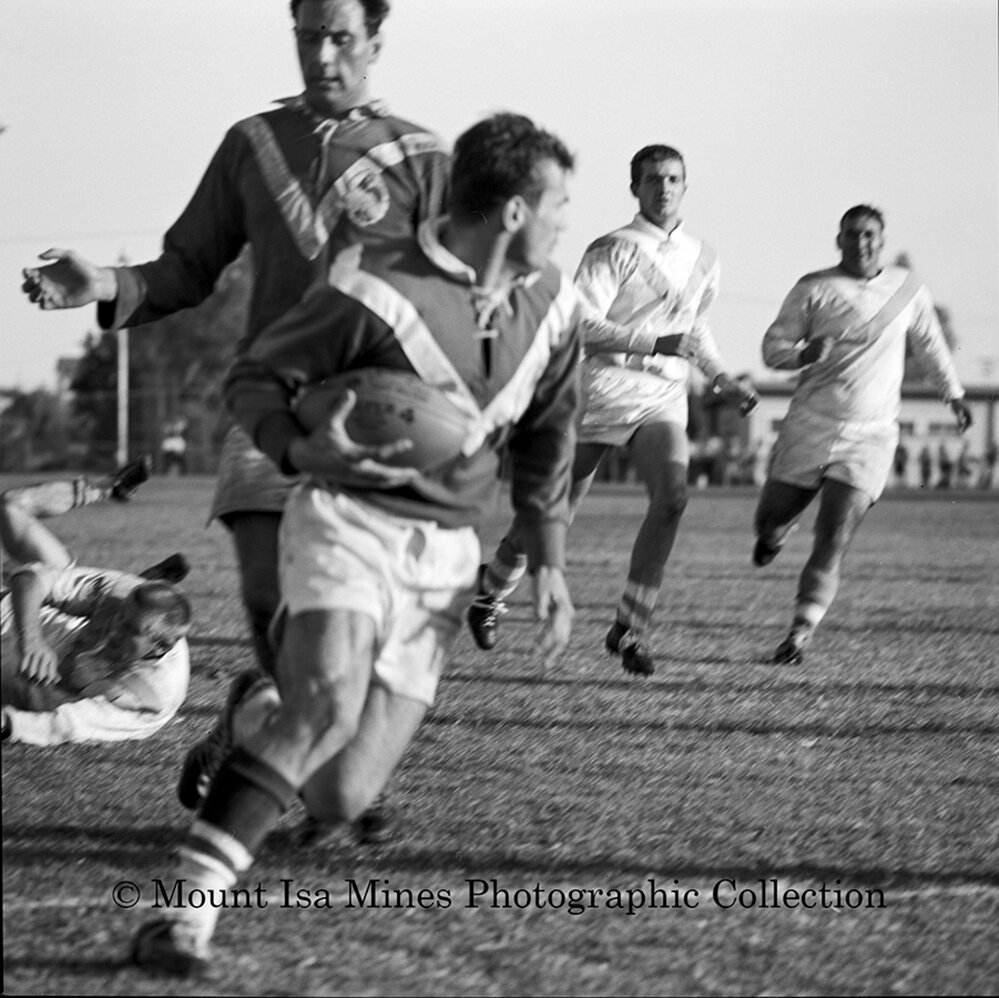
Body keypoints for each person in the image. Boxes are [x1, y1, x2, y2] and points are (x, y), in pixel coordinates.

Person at [128, 111, 580, 976]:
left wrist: (549, 558)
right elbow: (255, 378)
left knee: (340, 794)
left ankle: (253, 712)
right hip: (348, 521)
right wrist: (302, 451)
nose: (566, 220)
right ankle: (179, 915)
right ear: (515, 211)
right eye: (560, 203)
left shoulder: (555, 304)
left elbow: (551, 434)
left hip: (445, 557)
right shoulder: (373, 283)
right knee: (326, 708)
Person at [20, 0, 450, 836]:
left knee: (356, 616)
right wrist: (102, 283)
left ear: (374, 41)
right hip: (268, 401)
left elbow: (456, 296)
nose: (321, 54)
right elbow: (187, 266)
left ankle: (274, 729)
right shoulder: (252, 143)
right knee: (268, 598)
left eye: (340, 38)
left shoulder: (424, 158)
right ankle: (318, 764)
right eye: (307, 36)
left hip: (377, 419)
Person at [467, 144, 758, 675]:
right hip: (601, 389)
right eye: (652, 179)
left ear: (685, 186)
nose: (664, 188)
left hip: (663, 396)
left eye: (673, 179)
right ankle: (491, 592)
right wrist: (652, 343)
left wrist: (721, 376)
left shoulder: (705, 256)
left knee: (672, 498)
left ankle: (629, 628)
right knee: (555, 512)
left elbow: (695, 329)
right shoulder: (611, 249)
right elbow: (581, 325)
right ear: (634, 188)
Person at [752, 204, 972, 664]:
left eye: (869, 234)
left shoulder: (907, 287)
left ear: (882, 240)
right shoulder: (814, 288)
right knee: (770, 520)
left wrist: (952, 393)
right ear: (839, 240)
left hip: (872, 434)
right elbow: (772, 348)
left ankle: (800, 632)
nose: (861, 242)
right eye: (852, 234)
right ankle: (774, 535)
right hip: (811, 423)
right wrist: (802, 354)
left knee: (834, 534)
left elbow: (930, 343)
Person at [1, 469, 191, 745]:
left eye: (130, 629)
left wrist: (9, 724)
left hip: (30, 667)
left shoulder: (151, 695)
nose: (115, 631)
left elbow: (65, 725)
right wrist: (31, 640)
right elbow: (30, 579)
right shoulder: (123, 591)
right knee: (12, 507)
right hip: (23, 617)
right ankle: (103, 489)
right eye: (120, 619)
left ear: (161, 648)